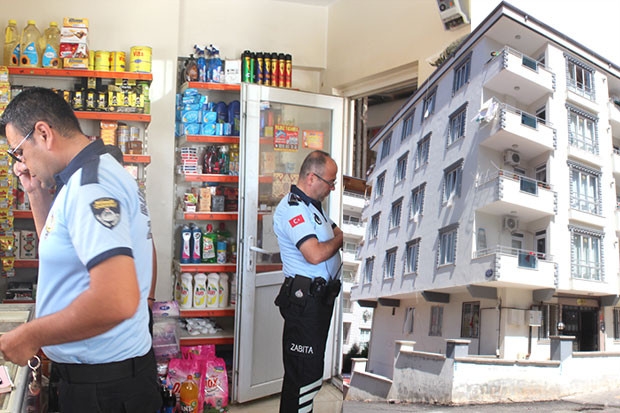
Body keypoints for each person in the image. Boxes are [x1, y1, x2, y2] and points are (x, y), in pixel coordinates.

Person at [0, 87, 161, 412]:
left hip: (105, 389)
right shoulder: (88, 176)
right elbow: (61, 251)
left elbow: (116, 300)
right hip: (104, 377)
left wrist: (31, 336)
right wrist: (35, 193)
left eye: (19, 152)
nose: (21, 164)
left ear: (43, 134)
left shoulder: (91, 187)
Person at [273, 150, 343, 413]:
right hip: (305, 305)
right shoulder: (293, 209)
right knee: (302, 379)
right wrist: (338, 241)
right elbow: (314, 254)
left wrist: (336, 238)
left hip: (318, 302)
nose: (332, 188)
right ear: (312, 177)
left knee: (309, 377)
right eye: (330, 182)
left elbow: (335, 230)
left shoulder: (313, 207)